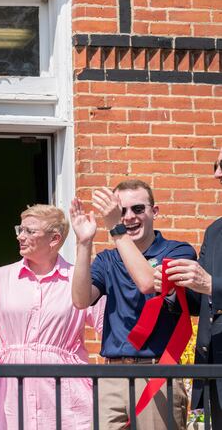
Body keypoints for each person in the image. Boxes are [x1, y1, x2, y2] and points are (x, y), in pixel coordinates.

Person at [71, 179, 196, 429]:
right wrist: (84, 243)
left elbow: (148, 283)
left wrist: (116, 229)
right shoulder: (108, 259)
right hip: (112, 375)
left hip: (158, 372)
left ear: (154, 212)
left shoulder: (177, 251)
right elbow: (80, 300)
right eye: (122, 211)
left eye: (138, 209)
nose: (129, 217)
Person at [0, 204, 104, 429]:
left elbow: (111, 331)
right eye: (20, 229)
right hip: (7, 393)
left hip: (65, 395)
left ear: (54, 239)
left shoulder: (77, 280)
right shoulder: (1, 278)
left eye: (30, 231)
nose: (21, 236)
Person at [163, 148, 222, 425]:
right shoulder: (215, 230)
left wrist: (211, 284)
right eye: (215, 165)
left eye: (221, 165)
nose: (216, 173)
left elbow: (212, 288)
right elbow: (204, 303)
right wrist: (176, 288)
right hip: (213, 373)